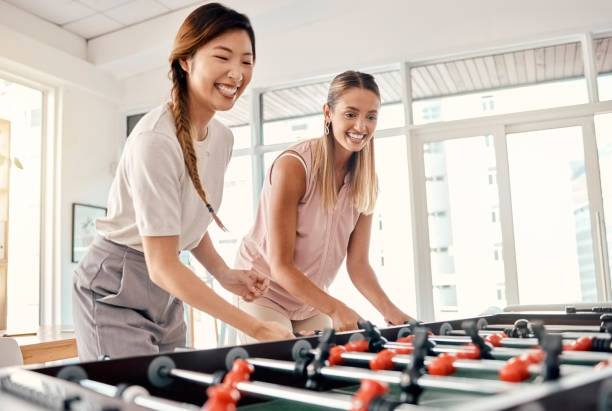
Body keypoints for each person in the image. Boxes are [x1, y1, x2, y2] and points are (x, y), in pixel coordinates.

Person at [72, 3, 293, 361]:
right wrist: (256, 327)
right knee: (132, 399)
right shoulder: (154, 141)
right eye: (223, 57)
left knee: (173, 392)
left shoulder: (222, 138)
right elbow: (161, 263)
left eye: (246, 61)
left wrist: (223, 273)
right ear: (186, 61)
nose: (236, 73)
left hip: (166, 285)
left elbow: (184, 218)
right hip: (117, 283)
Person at [235, 70, 415, 341]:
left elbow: (359, 265)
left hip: (307, 301)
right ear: (328, 113)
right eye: (351, 114)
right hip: (262, 291)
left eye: (371, 116)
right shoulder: (294, 166)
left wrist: (392, 312)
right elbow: (280, 266)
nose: (361, 127)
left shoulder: (366, 181)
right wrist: (337, 308)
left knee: (328, 366)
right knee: (283, 367)